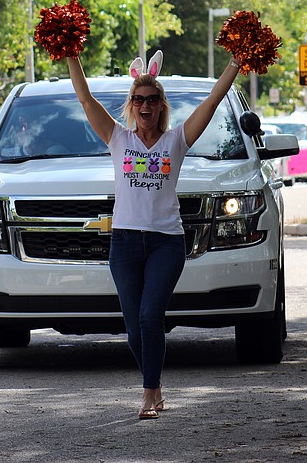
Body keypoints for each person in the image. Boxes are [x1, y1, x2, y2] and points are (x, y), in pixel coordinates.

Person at [65, 51, 242, 419]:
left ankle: (148, 393)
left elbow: (212, 100)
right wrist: (72, 55)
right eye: (138, 99)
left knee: (150, 317)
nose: (145, 105)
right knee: (133, 330)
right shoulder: (118, 138)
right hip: (125, 243)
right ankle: (156, 385)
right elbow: (85, 98)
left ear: (162, 105)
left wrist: (235, 64)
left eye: (152, 99)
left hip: (166, 242)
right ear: (132, 105)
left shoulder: (176, 141)